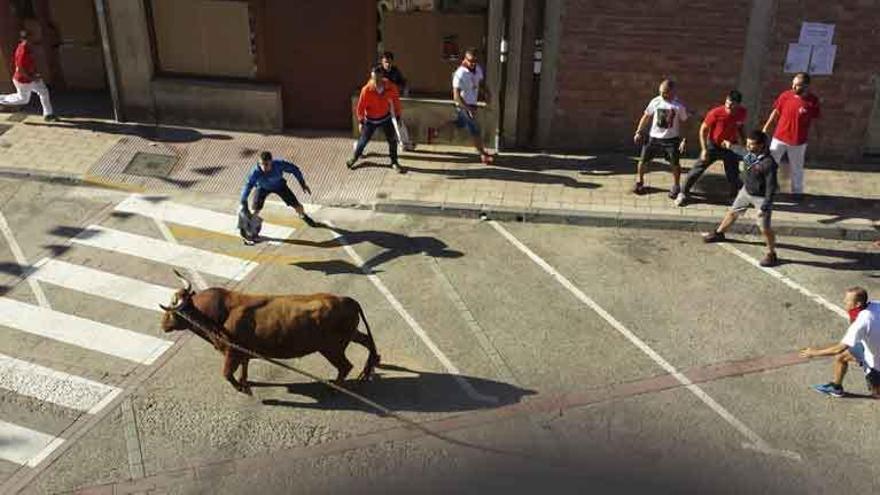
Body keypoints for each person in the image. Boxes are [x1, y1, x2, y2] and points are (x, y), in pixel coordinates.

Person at [702, 130, 780, 267]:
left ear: (761, 145)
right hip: (746, 191)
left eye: (752, 145)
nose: (749, 147)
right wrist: (729, 145)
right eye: (748, 144)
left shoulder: (768, 163)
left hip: (761, 198)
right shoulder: (750, 154)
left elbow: (771, 187)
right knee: (733, 212)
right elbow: (741, 151)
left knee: (764, 227)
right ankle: (719, 233)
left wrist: (765, 206)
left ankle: (771, 254)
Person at [800, 287, 880, 398]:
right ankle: (836, 387)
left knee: (877, 393)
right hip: (869, 348)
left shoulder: (862, 321)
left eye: (847, 300)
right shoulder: (876, 304)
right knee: (841, 357)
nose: (844, 302)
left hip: (876, 364)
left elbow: (839, 348)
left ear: (857, 304)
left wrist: (813, 353)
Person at [676, 90, 746, 206]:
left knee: (733, 173)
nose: (728, 106)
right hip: (713, 146)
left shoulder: (742, 112)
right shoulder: (716, 113)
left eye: (732, 104)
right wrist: (704, 149)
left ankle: (734, 196)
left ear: (738, 105)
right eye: (727, 103)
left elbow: (739, 126)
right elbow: (703, 129)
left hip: (729, 147)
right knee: (697, 169)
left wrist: (743, 141)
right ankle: (683, 193)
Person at [761, 72, 820, 197]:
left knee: (796, 168)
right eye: (793, 84)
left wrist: (816, 136)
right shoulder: (785, 96)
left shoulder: (813, 101)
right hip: (779, 137)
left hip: (798, 141)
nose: (793, 87)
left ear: (806, 86)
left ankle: (797, 192)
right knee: (770, 164)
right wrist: (766, 127)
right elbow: (776, 112)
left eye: (797, 85)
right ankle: (767, 187)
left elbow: (814, 120)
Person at [240, 151, 315, 243]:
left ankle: (303, 216)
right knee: (255, 210)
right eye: (261, 164)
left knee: (298, 206)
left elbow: (294, 169)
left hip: (280, 186)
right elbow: (248, 185)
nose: (263, 167)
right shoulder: (255, 172)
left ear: (271, 162)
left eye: (266, 164)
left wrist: (302, 184)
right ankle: (251, 231)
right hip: (262, 188)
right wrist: (243, 200)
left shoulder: (279, 164)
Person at [632, 79, 688, 198]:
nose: (662, 95)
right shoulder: (655, 101)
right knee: (642, 160)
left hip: (671, 140)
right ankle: (639, 182)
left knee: (675, 163)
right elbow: (646, 117)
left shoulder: (678, 106)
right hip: (654, 138)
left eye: (665, 92)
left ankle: (676, 186)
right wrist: (639, 131)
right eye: (661, 92)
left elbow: (684, 123)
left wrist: (683, 140)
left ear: (672, 92)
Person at [347, 65, 404, 173]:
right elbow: (360, 107)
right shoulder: (367, 90)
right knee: (363, 141)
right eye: (373, 79)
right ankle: (354, 158)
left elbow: (396, 102)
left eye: (378, 79)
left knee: (392, 140)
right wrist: (361, 121)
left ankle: (394, 162)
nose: (376, 81)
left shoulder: (390, 87)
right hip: (371, 120)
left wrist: (398, 116)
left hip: (385, 118)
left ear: (382, 77)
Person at [0, 30, 57, 121]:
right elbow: (20, 69)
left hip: (31, 77)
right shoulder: (22, 51)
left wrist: (35, 74)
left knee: (44, 92)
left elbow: (31, 63)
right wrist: (32, 78)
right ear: (26, 39)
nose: (33, 39)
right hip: (23, 80)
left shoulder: (28, 47)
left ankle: (48, 115)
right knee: (23, 99)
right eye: (31, 38)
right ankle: (1, 99)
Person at [452, 48, 494, 164]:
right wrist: (467, 108)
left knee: (459, 125)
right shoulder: (460, 73)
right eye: (470, 61)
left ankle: (435, 132)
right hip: (462, 105)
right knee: (475, 130)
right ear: (465, 59)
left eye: (475, 61)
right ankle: (483, 155)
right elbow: (456, 96)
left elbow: (480, 83)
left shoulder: (477, 69)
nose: (472, 63)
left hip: (472, 104)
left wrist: (487, 93)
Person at [380, 52, 415, 151]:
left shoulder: (395, 71)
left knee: (398, 121)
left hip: (392, 101)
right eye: (385, 62)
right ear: (382, 62)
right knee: (371, 126)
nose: (388, 64)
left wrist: (405, 89)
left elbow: (403, 82)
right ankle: (359, 147)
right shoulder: (379, 72)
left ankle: (404, 143)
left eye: (389, 62)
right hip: (380, 102)